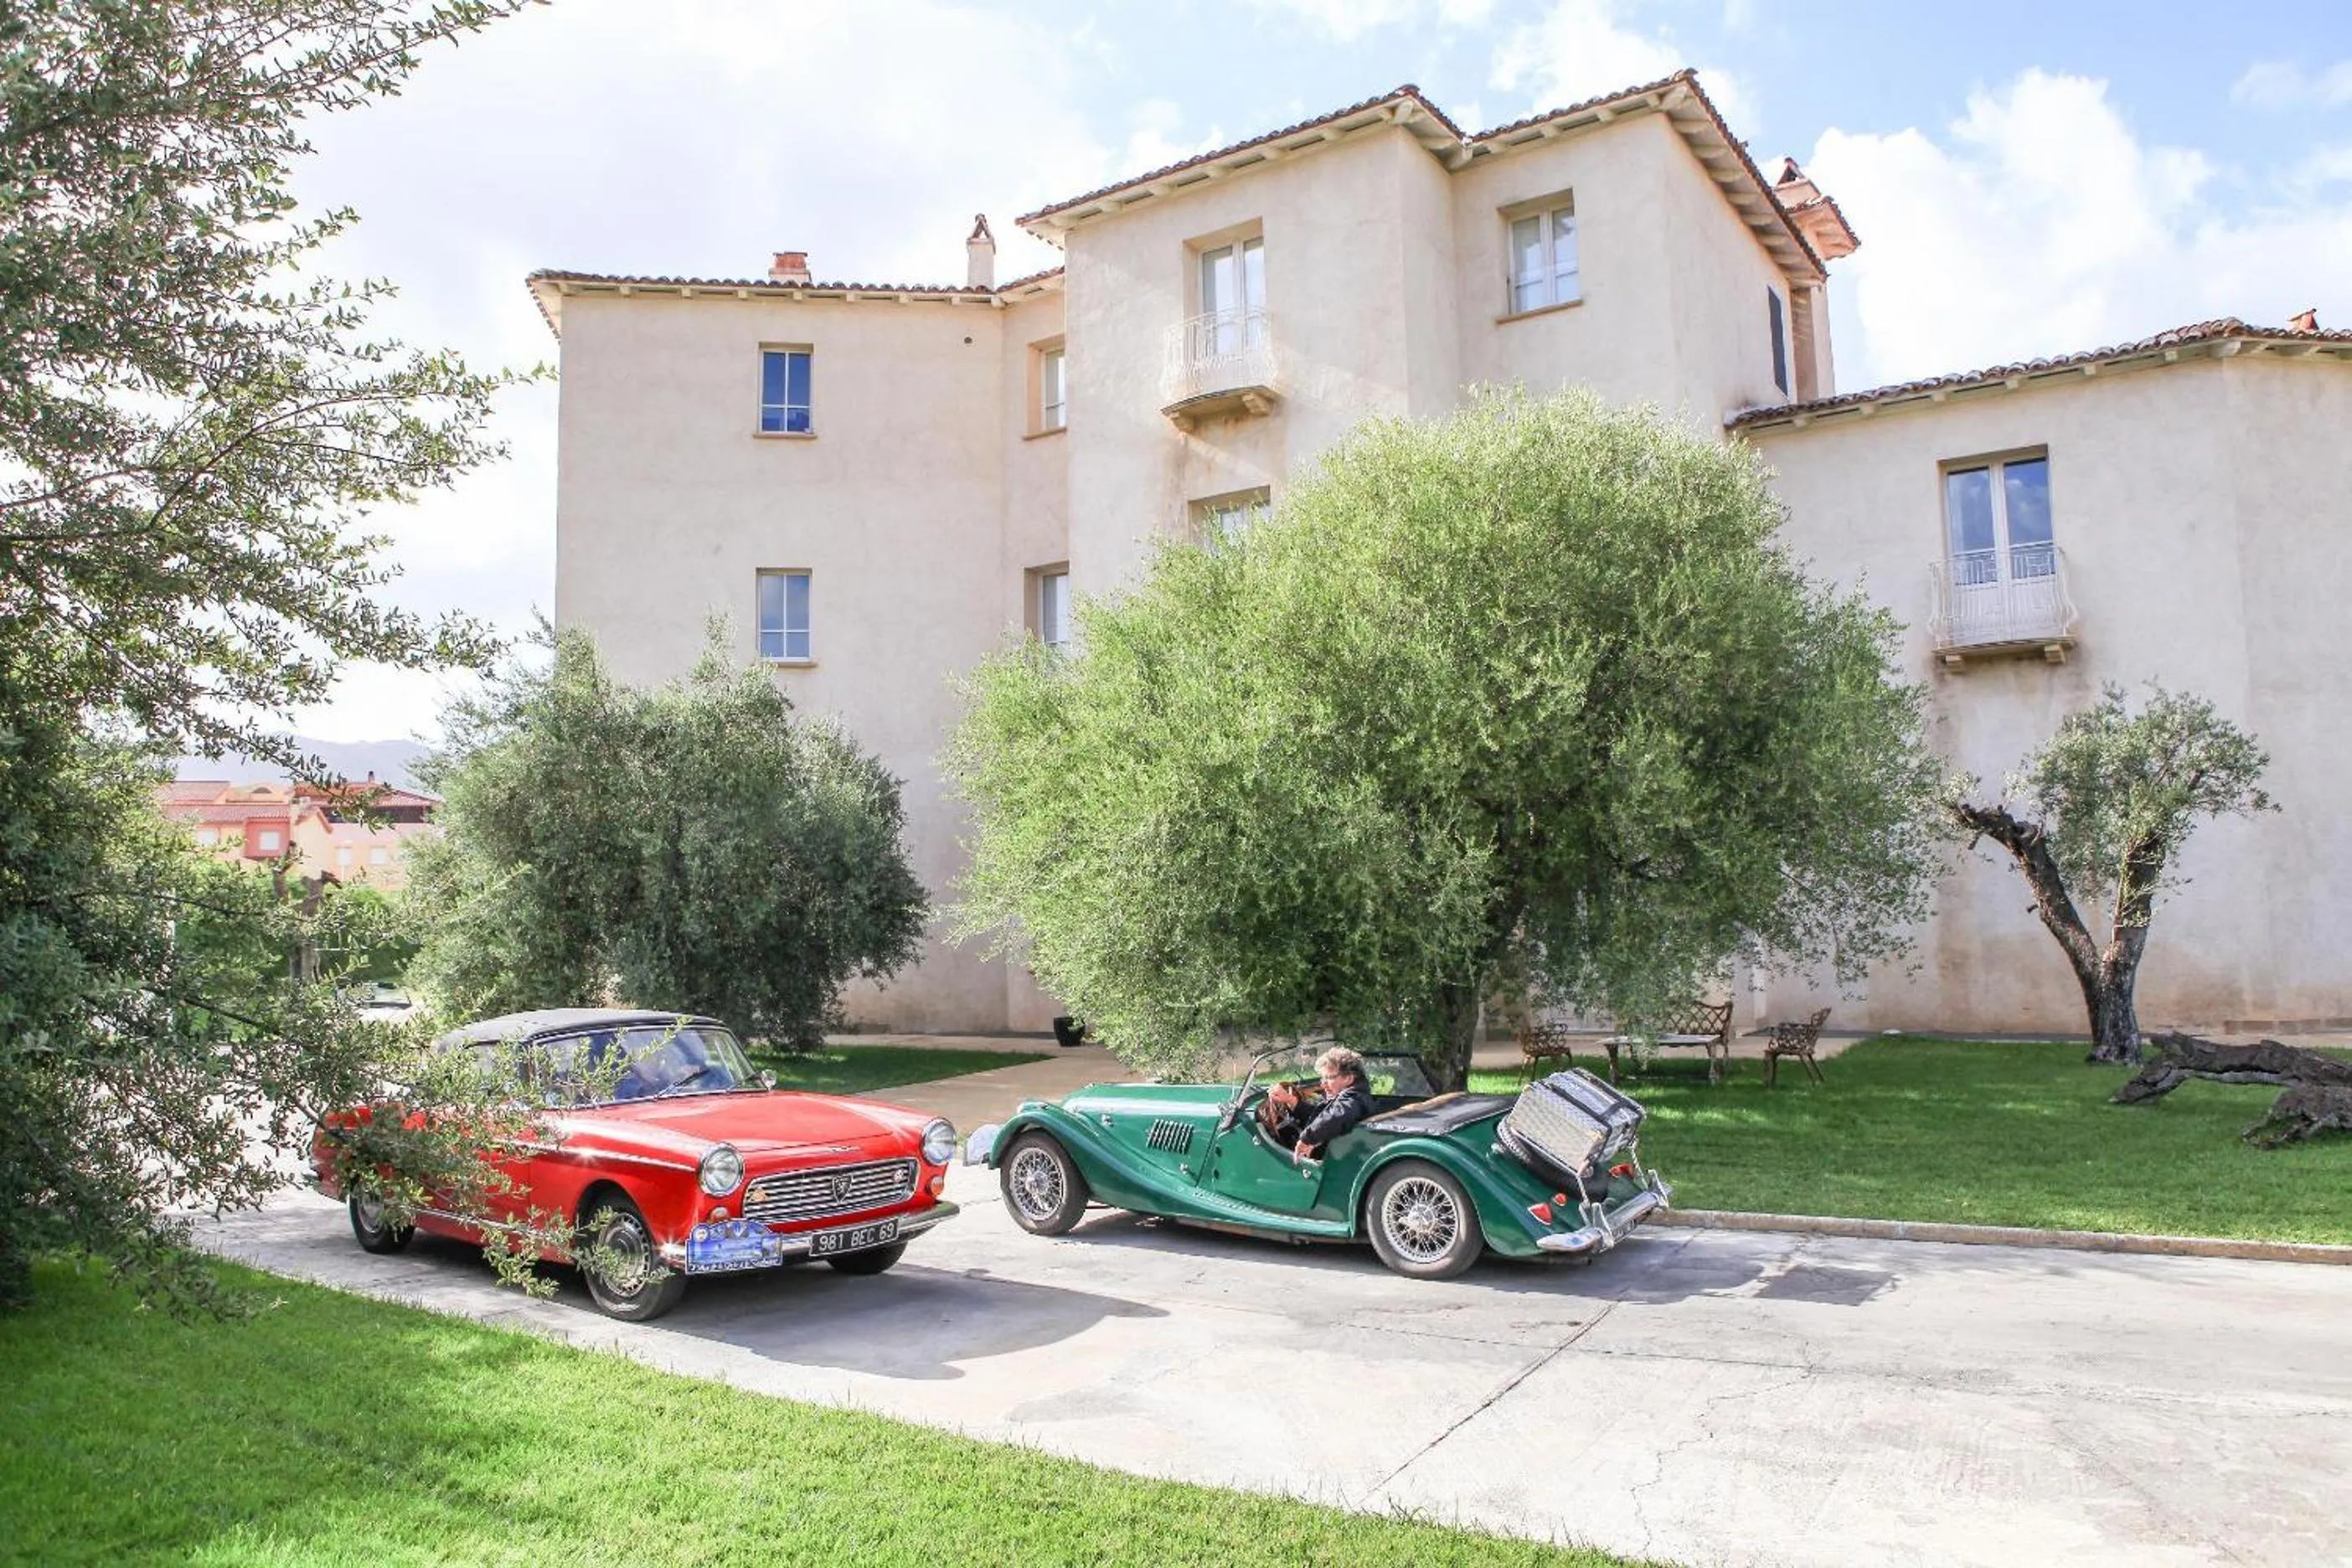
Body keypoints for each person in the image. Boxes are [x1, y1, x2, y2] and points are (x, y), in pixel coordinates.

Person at [1265, 1046, 1374, 1162]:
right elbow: (1325, 1115)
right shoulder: (1355, 1095)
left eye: (1328, 1078)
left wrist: (1307, 1139)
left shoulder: (1354, 1100)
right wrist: (1292, 1101)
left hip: (1335, 1160)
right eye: (1323, 1079)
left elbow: (1336, 1116)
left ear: (1348, 1078)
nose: (1323, 1085)